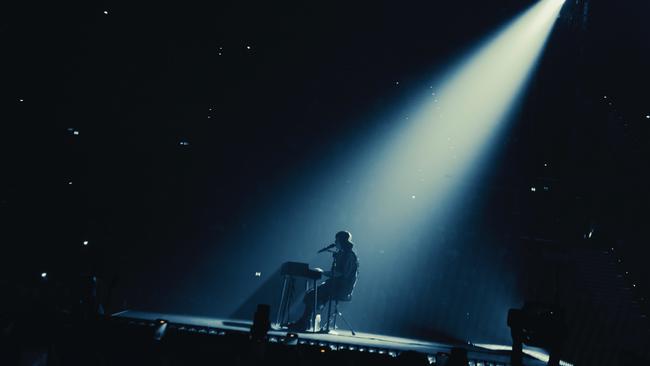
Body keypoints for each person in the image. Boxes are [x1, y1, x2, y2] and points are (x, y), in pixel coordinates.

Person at [288, 230, 359, 332]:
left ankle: (304, 323)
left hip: (342, 287)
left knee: (313, 295)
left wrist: (322, 272)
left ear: (341, 241)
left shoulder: (349, 256)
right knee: (312, 294)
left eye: (336, 240)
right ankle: (305, 322)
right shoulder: (343, 253)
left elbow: (340, 273)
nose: (335, 242)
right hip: (336, 284)